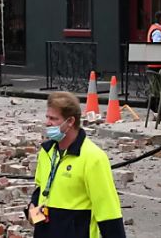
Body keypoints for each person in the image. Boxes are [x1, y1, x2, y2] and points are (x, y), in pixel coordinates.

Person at [27, 92, 126, 238]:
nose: (47, 123)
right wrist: (32, 208)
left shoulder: (93, 158)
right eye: (47, 117)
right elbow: (41, 188)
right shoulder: (47, 152)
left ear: (70, 121)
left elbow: (108, 212)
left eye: (54, 118)